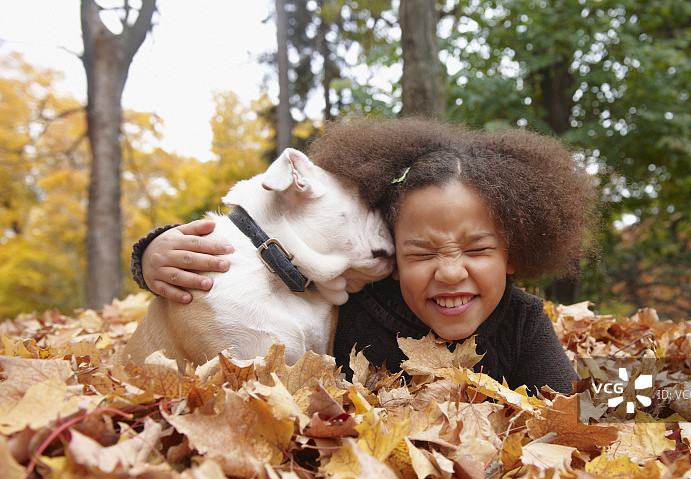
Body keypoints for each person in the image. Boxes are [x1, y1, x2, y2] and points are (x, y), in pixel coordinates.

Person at [130, 117, 598, 394]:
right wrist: (153, 252)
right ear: (389, 257)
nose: (451, 272)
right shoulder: (354, 305)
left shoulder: (522, 321)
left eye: (477, 249)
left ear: (513, 254)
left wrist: (667, 390)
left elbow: (583, 408)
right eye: (420, 253)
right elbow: (270, 244)